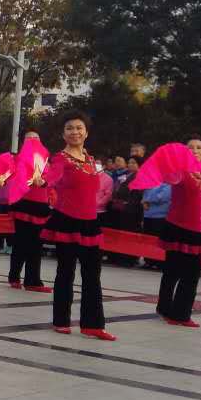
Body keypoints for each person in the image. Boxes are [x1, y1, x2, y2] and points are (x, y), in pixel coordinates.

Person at [38, 112, 117, 341]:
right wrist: (42, 181)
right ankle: (61, 320)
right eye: (70, 128)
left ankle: (93, 324)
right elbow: (50, 178)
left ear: (86, 132)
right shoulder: (60, 159)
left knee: (93, 275)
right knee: (66, 272)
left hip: (90, 222)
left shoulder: (91, 160)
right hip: (67, 221)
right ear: (63, 134)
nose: (75, 132)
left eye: (79, 128)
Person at [155, 138, 201, 327]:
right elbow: (167, 177)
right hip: (179, 227)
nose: (195, 150)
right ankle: (173, 312)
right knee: (175, 272)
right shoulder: (180, 172)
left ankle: (175, 311)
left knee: (189, 274)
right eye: (190, 147)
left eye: (199, 147)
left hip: (198, 229)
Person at [8, 130, 51, 292]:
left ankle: (32, 280)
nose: (33, 141)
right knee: (21, 242)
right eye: (29, 138)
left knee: (36, 245)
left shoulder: (46, 161)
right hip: (23, 204)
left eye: (36, 138)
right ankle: (14, 276)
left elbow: (51, 180)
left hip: (40, 206)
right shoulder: (18, 159)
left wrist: (44, 182)